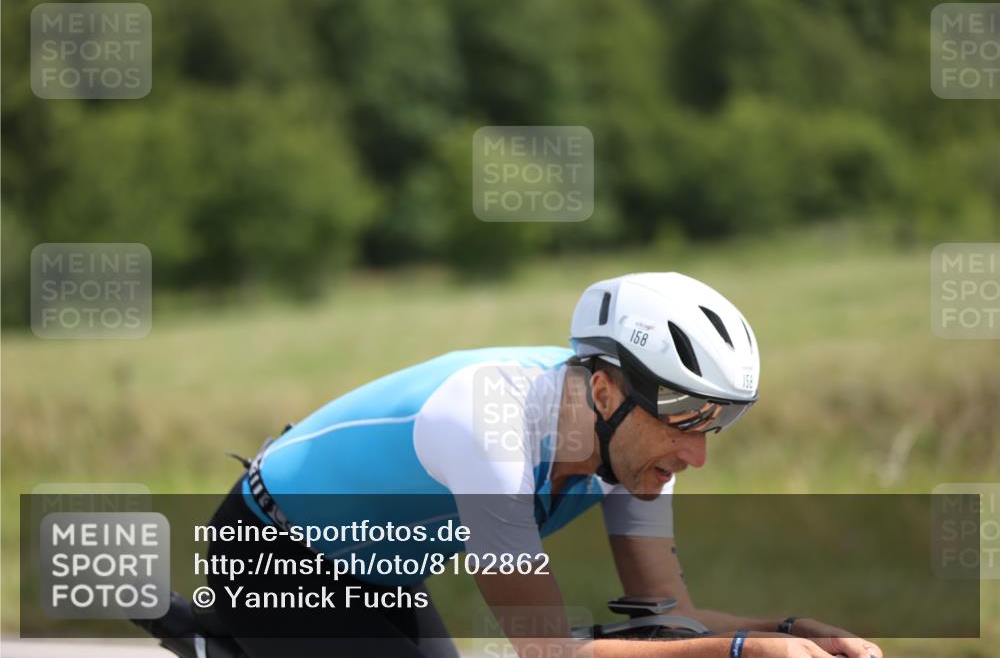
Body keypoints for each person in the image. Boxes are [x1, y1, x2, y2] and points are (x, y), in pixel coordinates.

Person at [204, 272, 883, 658]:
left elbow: (669, 617)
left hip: (383, 573)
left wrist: (793, 632)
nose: (696, 452)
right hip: (270, 554)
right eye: (682, 417)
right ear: (605, 389)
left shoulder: (635, 448)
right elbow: (548, 653)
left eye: (716, 422)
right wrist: (745, 655)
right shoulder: (486, 422)